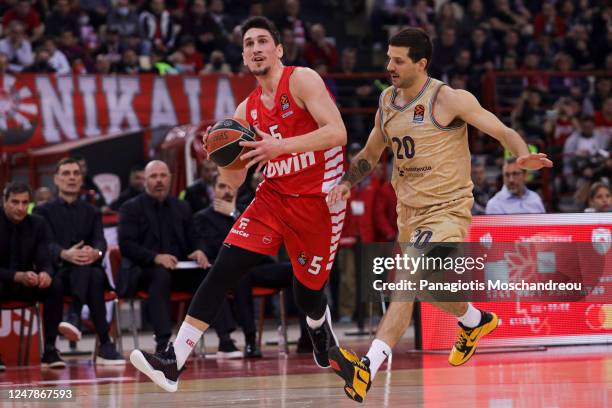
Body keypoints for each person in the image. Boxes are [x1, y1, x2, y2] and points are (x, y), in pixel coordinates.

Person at [325, 27, 552, 403]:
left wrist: (521, 154)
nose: (389, 66)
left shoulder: (448, 99)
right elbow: (369, 154)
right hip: (409, 213)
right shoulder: (386, 100)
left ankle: (367, 366)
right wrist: (347, 181)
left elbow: (501, 129)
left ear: (421, 63)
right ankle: (475, 321)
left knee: (407, 277)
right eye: (388, 58)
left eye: (398, 60)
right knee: (427, 287)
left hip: (446, 210)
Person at [129, 16, 347, 392]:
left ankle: (318, 326)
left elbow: (337, 132)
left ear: (278, 50)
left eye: (263, 41)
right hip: (274, 197)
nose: (256, 48)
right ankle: (173, 362)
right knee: (224, 268)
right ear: (244, 57)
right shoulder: (244, 112)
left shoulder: (302, 79)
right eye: (249, 44)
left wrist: (280, 146)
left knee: (308, 292)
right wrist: (220, 163)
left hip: (319, 200)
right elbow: (235, 178)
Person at [118, 160, 241, 357]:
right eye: (153, 176)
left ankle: (225, 340)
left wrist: (199, 250)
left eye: (163, 175)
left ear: (170, 179)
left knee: (209, 275)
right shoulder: (130, 208)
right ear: (145, 181)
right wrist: (155, 257)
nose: (159, 180)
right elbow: (126, 245)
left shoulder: (182, 206)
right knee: (160, 276)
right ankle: (163, 342)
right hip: (144, 270)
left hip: (180, 269)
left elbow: (194, 236)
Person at [193, 173, 312, 357]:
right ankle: (250, 341)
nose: (227, 191)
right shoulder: (202, 217)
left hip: (260, 265)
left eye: (230, 187)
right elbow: (218, 247)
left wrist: (234, 213)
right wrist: (232, 216)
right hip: (230, 271)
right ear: (212, 190)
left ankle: (308, 336)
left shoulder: (246, 209)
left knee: (300, 270)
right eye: (222, 187)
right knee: (242, 276)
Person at [34, 158, 124, 365]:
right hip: (58, 271)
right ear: (56, 179)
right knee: (83, 277)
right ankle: (104, 344)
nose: (71, 177)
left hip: (87, 268)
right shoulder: (43, 211)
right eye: (66, 173)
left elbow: (100, 241)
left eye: (75, 173)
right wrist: (64, 254)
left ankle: (69, 323)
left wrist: (96, 253)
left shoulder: (92, 211)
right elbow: (44, 244)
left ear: (81, 179)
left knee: (92, 273)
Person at [0, 182, 68, 369]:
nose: (21, 208)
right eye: (15, 202)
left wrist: (45, 273)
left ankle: (50, 349)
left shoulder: (37, 223)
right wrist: (16, 276)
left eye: (25, 203)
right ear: (4, 201)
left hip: (26, 284)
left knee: (55, 285)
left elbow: (45, 257)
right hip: (4, 281)